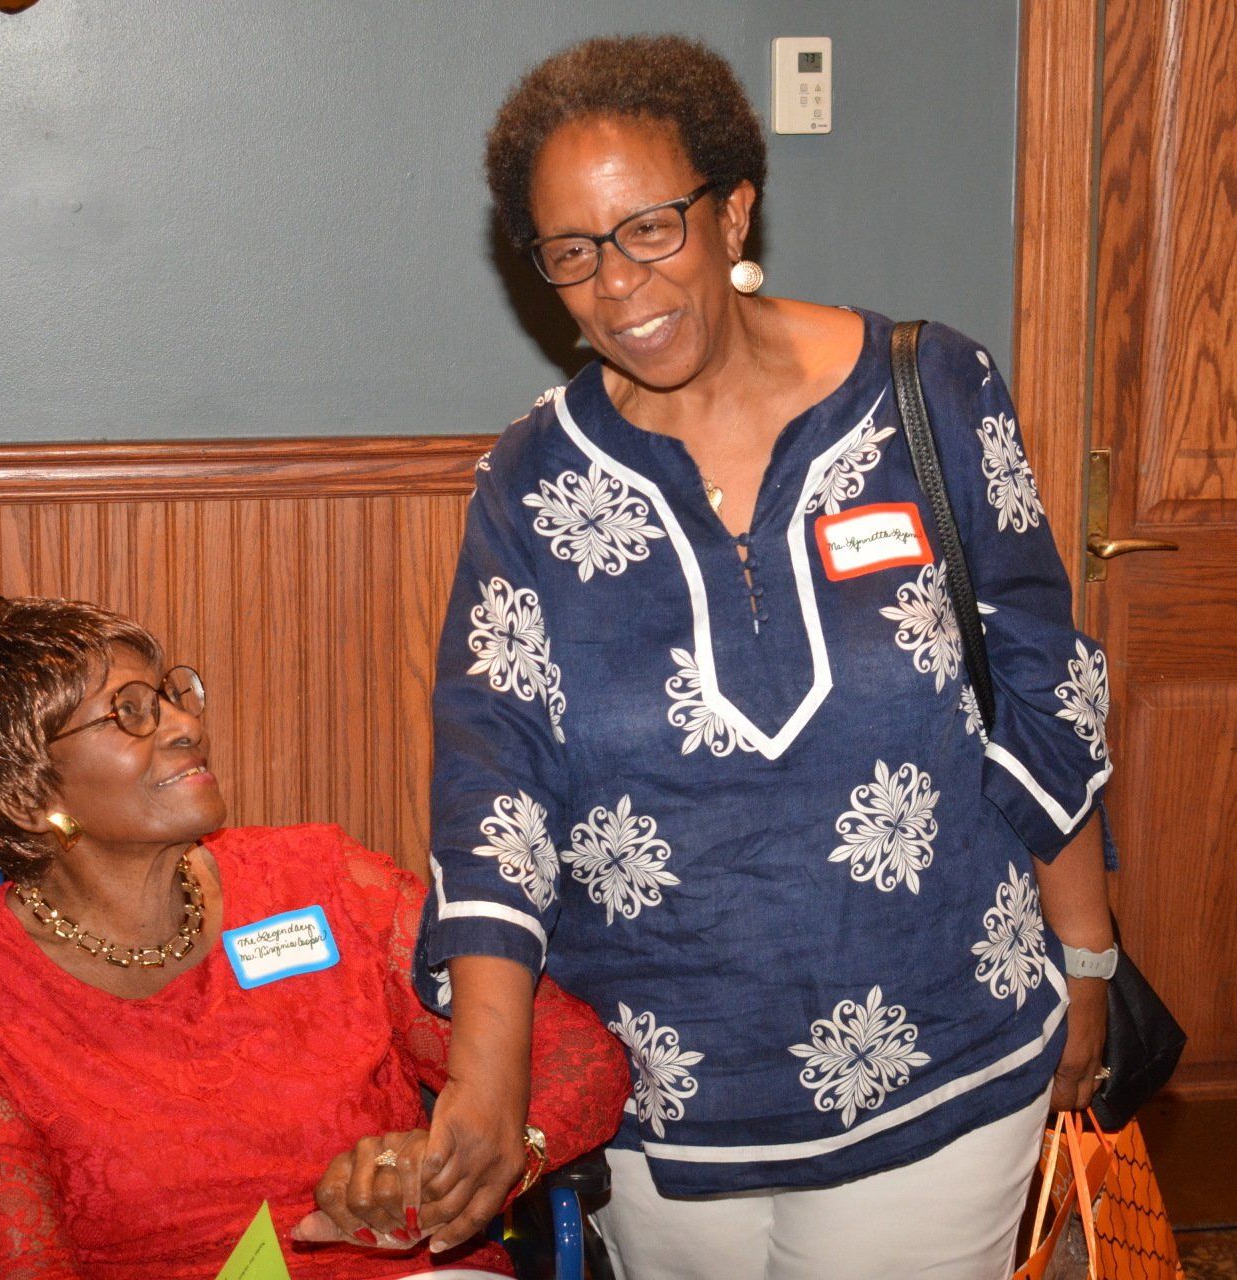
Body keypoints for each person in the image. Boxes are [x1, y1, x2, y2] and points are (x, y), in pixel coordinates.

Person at [415, 35, 1119, 1280]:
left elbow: (1042, 692)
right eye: (570, 251)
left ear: (733, 208)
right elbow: (494, 787)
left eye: (649, 228)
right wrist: (487, 1078)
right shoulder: (529, 482)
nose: (616, 283)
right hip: (656, 1099)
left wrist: (1089, 957)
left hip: (940, 1057)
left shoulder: (931, 392)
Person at [0, 591, 627, 1280]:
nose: (185, 725)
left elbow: (577, 1055)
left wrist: (482, 1160)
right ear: (26, 795)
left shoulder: (321, 881)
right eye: (130, 712)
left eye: (171, 695)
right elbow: (21, 1259)